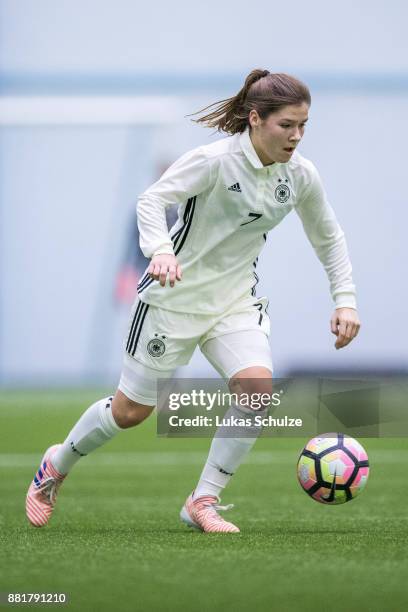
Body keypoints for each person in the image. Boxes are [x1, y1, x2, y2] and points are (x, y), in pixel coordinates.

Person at [26, 69, 360, 533]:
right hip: (172, 301)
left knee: (257, 391)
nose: (297, 136)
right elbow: (151, 199)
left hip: (235, 303)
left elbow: (329, 237)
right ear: (256, 119)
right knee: (130, 413)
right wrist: (160, 252)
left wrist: (345, 300)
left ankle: (203, 500)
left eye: (304, 125)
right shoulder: (214, 160)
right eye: (287, 125)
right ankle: (55, 465)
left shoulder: (301, 174)